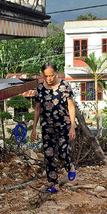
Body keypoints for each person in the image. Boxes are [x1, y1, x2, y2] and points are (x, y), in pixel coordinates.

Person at [30, 62, 76, 193]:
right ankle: (54, 183)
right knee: (49, 155)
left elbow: (71, 107)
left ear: (56, 72)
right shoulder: (40, 88)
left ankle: (70, 166)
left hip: (63, 125)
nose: (49, 78)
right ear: (42, 75)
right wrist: (34, 128)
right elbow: (37, 109)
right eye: (46, 76)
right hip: (47, 126)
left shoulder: (65, 86)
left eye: (51, 75)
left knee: (62, 153)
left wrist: (72, 127)